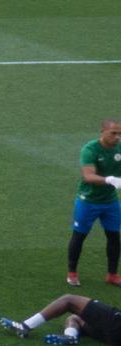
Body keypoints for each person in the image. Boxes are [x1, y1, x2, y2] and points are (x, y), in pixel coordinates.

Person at [66, 119, 121, 288]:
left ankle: (112, 275)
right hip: (88, 201)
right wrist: (110, 179)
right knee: (79, 235)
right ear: (102, 131)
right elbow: (88, 176)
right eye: (114, 133)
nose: (117, 137)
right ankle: (72, 273)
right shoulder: (90, 149)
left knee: (114, 237)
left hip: (110, 201)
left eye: (120, 134)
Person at [0, 293, 121, 346]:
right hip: (113, 338)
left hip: (117, 325)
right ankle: (70, 336)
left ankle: (25, 327)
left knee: (69, 300)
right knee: (74, 318)